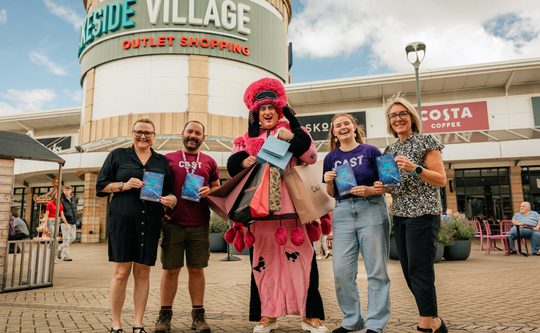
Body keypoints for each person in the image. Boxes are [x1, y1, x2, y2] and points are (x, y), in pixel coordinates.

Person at [226, 77, 328, 333]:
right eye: (262, 110)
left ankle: (310, 315)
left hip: (294, 210)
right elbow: (232, 168)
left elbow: (312, 157)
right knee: (262, 264)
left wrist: (292, 136)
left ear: (279, 110)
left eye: (272, 108)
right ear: (256, 115)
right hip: (260, 213)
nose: (267, 113)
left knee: (304, 262)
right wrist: (244, 161)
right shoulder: (244, 141)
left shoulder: (295, 132)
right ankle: (267, 315)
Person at [96, 118, 176, 333]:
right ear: (132, 133)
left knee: (143, 273)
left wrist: (172, 200)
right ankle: (116, 324)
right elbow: (101, 186)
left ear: (154, 136)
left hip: (149, 222)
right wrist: (123, 185)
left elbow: (169, 191)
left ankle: (138, 323)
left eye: (148, 133)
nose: (143, 136)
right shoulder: (117, 155)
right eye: (139, 131)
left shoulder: (161, 161)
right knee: (121, 273)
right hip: (122, 221)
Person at [382, 95, 448, 333]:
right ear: (389, 122)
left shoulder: (426, 141)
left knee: (420, 270)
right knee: (409, 271)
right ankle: (435, 322)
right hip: (400, 214)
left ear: (411, 117)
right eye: (393, 116)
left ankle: (425, 325)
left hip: (423, 213)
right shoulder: (389, 149)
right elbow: (392, 185)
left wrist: (415, 167)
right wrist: (379, 186)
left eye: (402, 114)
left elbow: (441, 179)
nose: (398, 119)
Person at [323, 113, 391, 333]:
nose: (342, 127)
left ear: (354, 127)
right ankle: (352, 320)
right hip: (342, 212)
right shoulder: (330, 157)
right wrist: (328, 181)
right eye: (337, 126)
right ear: (334, 133)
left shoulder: (370, 151)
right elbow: (332, 194)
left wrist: (370, 190)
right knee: (342, 271)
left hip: (371, 208)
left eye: (346, 123)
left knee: (376, 271)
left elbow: (387, 184)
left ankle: (375, 323)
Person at [154, 120, 220, 333]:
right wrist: (164, 199)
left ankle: (198, 317)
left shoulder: (209, 161)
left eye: (198, 133)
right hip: (172, 223)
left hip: (199, 224)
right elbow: (158, 188)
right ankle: (164, 317)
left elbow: (217, 188)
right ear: (182, 133)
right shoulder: (167, 159)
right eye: (190, 131)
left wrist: (210, 191)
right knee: (170, 270)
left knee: (196, 269)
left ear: (203, 137)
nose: (193, 135)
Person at [59, 185, 77, 261]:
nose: (67, 191)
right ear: (63, 191)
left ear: (71, 191)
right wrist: (67, 218)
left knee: (73, 238)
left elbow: (74, 210)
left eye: (68, 190)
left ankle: (59, 248)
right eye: (65, 190)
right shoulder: (61, 200)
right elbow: (60, 212)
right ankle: (66, 255)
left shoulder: (73, 199)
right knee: (66, 239)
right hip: (65, 222)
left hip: (73, 222)